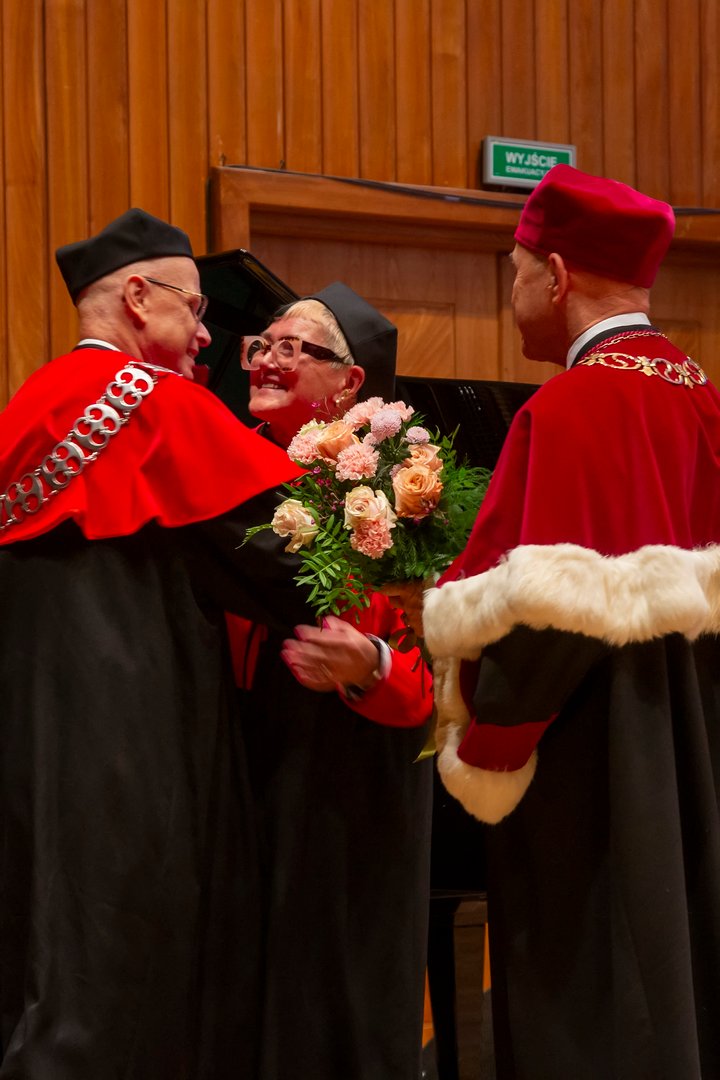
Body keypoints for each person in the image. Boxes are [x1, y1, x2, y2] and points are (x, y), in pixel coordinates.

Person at [419, 165, 720, 1079]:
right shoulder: (702, 398)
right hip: (699, 752)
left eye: (513, 274)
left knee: (592, 1003)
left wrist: (486, 751)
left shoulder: (571, 407)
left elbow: (545, 627)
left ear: (554, 275)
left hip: (597, 768)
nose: (511, 297)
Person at [0, 209, 313, 1078]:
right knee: (127, 955)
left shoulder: (28, 405)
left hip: (29, 737)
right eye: (195, 306)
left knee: (38, 947)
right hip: (132, 733)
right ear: (138, 297)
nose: (207, 334)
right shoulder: (154, 402)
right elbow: (292, 558)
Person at [226, 283, 434, 1080]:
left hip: (349, 783)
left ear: (350, 384)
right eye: (262, 345)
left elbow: (427, 676)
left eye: (292, 348)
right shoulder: (231, 466)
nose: (266, 359)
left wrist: (369, 664)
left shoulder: (400, 491)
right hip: (249, 763)